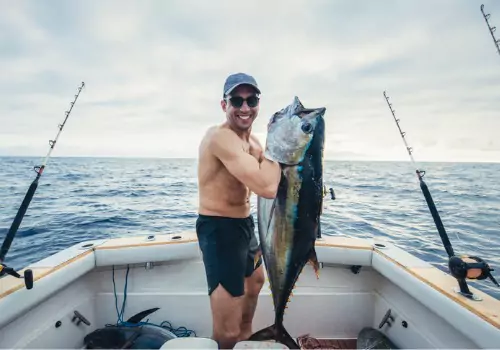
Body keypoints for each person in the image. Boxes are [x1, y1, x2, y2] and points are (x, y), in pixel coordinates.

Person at [196, 73, 281, 349]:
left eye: (251, 100)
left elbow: (277, 179)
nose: (245, 108)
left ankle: (245, 341)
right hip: (220, 230)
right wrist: (282, 145)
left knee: (256, 281)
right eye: (237, 100)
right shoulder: (220, 138)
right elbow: (267, 186)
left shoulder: (255, 144)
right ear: (224, 105)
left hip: (246, 226)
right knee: (227, 332)